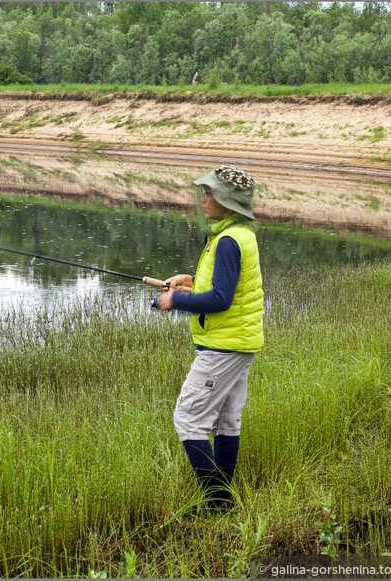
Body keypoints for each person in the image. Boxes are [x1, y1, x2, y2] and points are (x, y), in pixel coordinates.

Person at [153, 164, 264, 514]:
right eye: (204, 192)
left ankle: (217, 501)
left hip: (222, 346)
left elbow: (221, 299)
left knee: (187, 418)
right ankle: (222, 495)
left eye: (210, 193)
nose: (203, 198)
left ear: (228, 202)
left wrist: (175, 300)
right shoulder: (236, 233)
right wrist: (187, 280)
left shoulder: (229, 240)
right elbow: (223, 284)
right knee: (227, 420)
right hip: (239, 343)